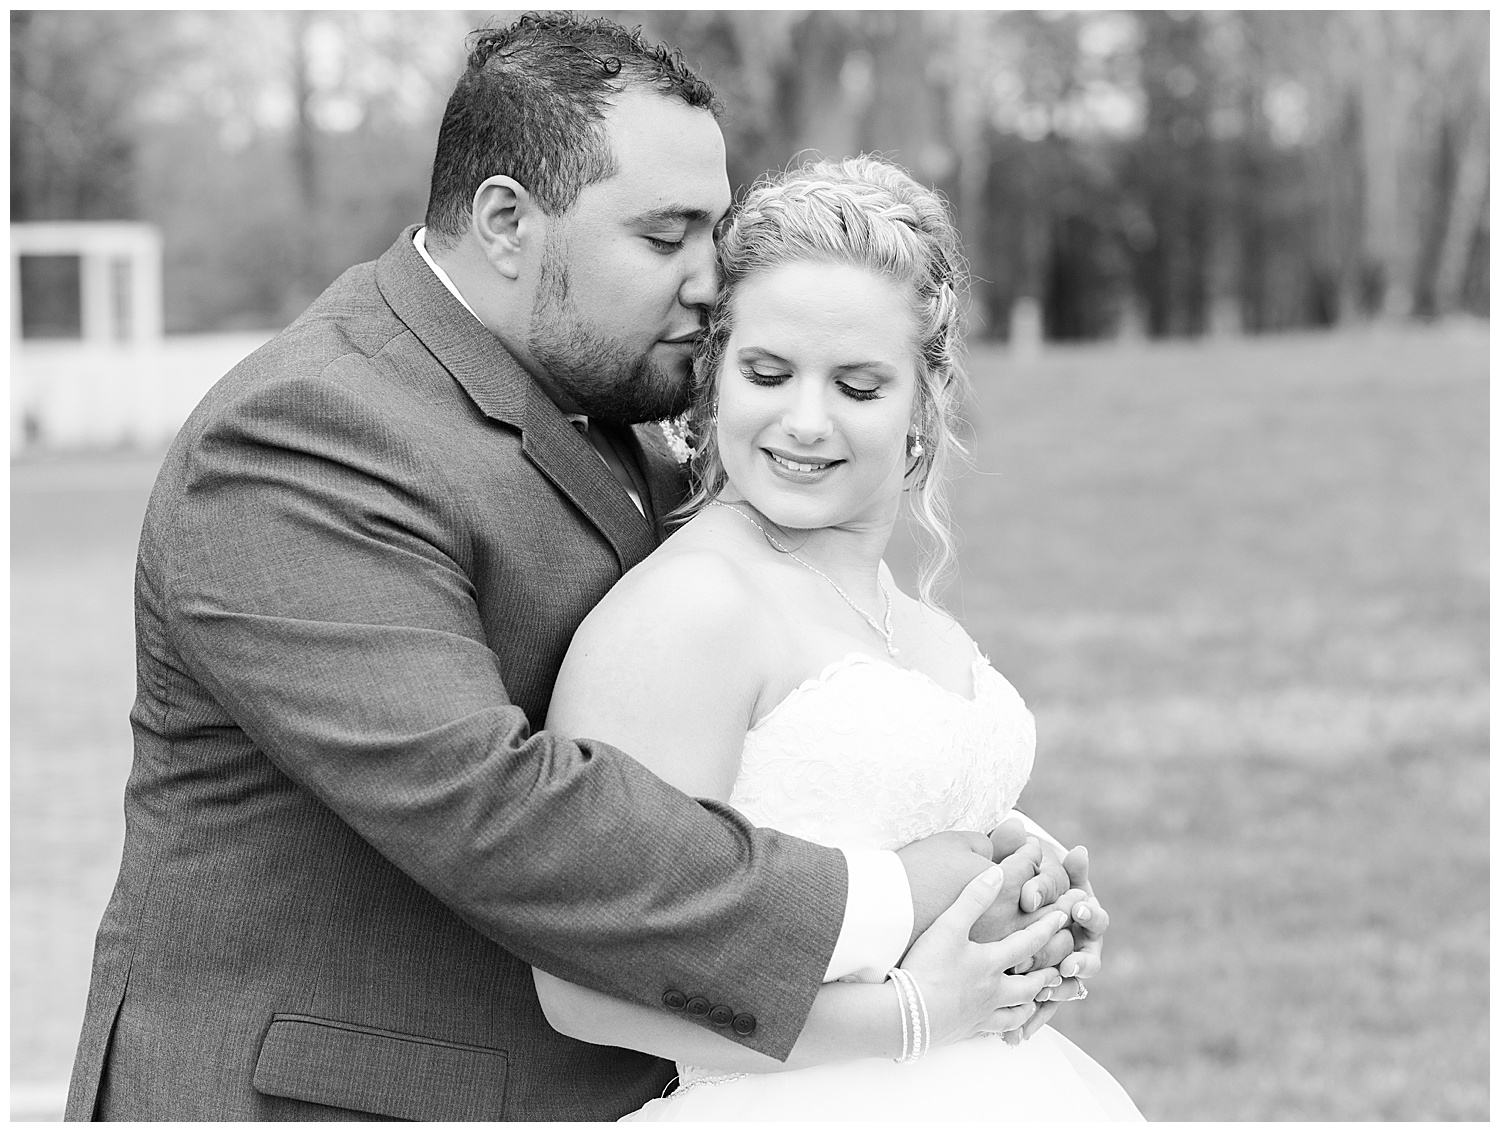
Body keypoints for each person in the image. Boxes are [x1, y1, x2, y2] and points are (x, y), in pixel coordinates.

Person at [64, 15, 1088, 1123]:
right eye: (667, 237)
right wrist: (897, 889)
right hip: (339, 1097)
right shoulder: (303, 436)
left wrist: (998, 882)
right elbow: (492, 807)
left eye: (716, 232)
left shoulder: (618, 407)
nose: (711, 282)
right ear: (507, 220)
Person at [534, 155, 1144, 1120]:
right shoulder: (690, 615)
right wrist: (913, 1017)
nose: (804, 421)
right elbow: (585, 983)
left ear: (921, 404)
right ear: (715, 376)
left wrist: (1028, 924)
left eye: (858, 387)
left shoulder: (903, 612)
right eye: (767, 372)